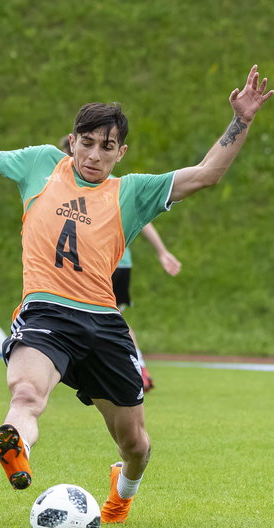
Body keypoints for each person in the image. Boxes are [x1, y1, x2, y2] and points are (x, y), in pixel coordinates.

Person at [0, 65, 274, 524]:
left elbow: (207, 174)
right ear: (72, 141)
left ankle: (122, 490)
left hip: (105, 324)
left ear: (120, 153)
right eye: (86, 143)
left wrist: (242, 119)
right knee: (27, 393)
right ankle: (15, 444)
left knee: (135, 445)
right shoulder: (40, 165)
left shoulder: (131, 192)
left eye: (106, 147)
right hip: (46, 311)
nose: (94, 155)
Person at [58, 135, 182, 392]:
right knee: (109, 317)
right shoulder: (68, 186)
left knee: (107, 319)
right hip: (109, 264)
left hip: (105, 264)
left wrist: (162, 251)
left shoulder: (106, 186)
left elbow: (143, 218)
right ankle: (135, 369)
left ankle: (131, 369)